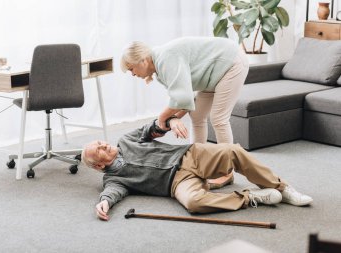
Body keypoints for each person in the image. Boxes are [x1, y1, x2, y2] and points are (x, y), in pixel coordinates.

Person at [81, 119, 313, 221]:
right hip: (176, 184)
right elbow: (112, 193)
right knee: (193, 203)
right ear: (99, 165)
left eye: (101, 142)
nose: (104, 144)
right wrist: (104, 203)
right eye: (99, 150)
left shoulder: (125, 140)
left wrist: (169, 123)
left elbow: (151, 127)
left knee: (233, 150)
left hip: (189, 155)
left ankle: (281, 188)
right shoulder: (114, 179)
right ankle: (251, 197)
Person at [120, 37, 249, 189]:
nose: (132, 74)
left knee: (218, 118)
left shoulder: (165, 59)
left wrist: (162, 118)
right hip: (211, 74)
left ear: (142, 60)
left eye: (131, 69)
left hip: (230, 63)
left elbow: (182, 98)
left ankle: (226, 171)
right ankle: (198, 163)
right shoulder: (160, 67)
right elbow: (184, 101)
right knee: (197, 116)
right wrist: (170, 121)